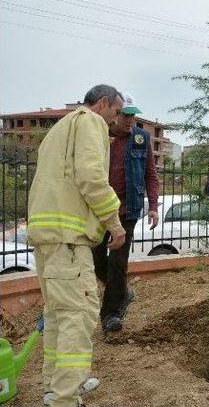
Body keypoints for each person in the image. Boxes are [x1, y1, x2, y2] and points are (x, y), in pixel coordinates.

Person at [28, 85, 126, 407]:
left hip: (47, 238)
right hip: (69, 242)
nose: (115, 121)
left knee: (57, 315)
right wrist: (114, 221)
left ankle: (54, 389)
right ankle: (65, 399)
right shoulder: (90, 122)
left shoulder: (59, 128)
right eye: (115, 112)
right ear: (102, 103)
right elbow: (91, 177)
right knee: (78, 316)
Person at [92, 93, 159, 333]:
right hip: (99, 211)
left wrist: (153, 206)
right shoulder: (100, 136)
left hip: (127, 209)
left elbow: (151, 174)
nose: (131, 120)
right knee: (96, 259)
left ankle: (110, 315)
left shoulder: (141, 138)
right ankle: (123, 292)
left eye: (133, 115)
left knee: (118, 264)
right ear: (115, 114)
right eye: (126, 115)